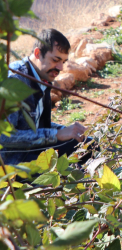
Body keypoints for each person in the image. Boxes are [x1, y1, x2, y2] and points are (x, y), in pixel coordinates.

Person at [1, 30, 91, 166]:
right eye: (55, 60)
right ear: (37, 53)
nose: (60, 68)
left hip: (34, 149)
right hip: (13, 163)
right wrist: (55, 135)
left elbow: (37, 125)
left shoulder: (41, 77)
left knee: (89, 146)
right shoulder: (14, 82)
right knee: (71, 169)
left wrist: (69, 131)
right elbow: (4, 136)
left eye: (64, 61)